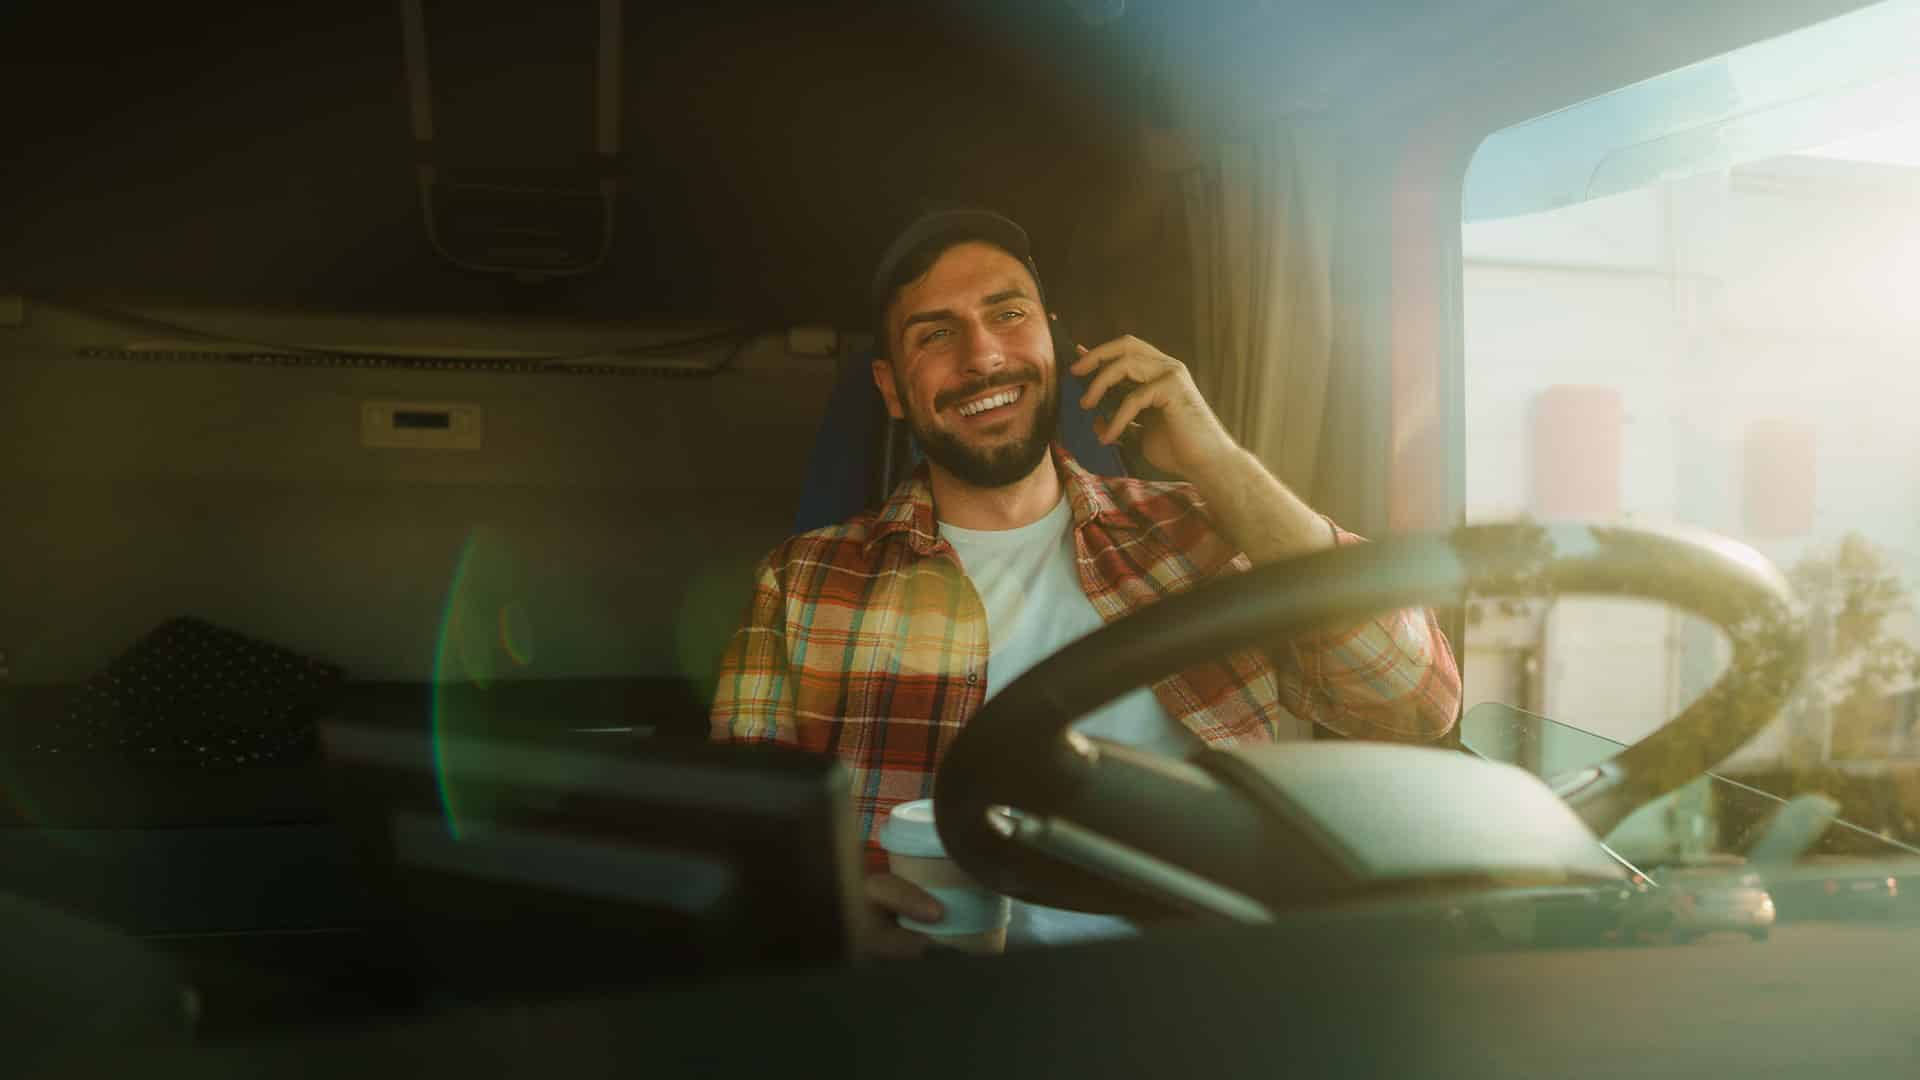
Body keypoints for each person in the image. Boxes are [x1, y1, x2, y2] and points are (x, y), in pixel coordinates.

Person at [710, 208, 1460, 956]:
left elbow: (1411, 700)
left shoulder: (1201, 533)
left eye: (1008, 315)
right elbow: (745, 841)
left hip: (1211, 991)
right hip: (938, 1002)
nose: (983, 356)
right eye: (935, 334)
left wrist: (1216, 459)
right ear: (893, 387)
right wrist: (830, 909)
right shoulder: (805, 579)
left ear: (1054, 341)